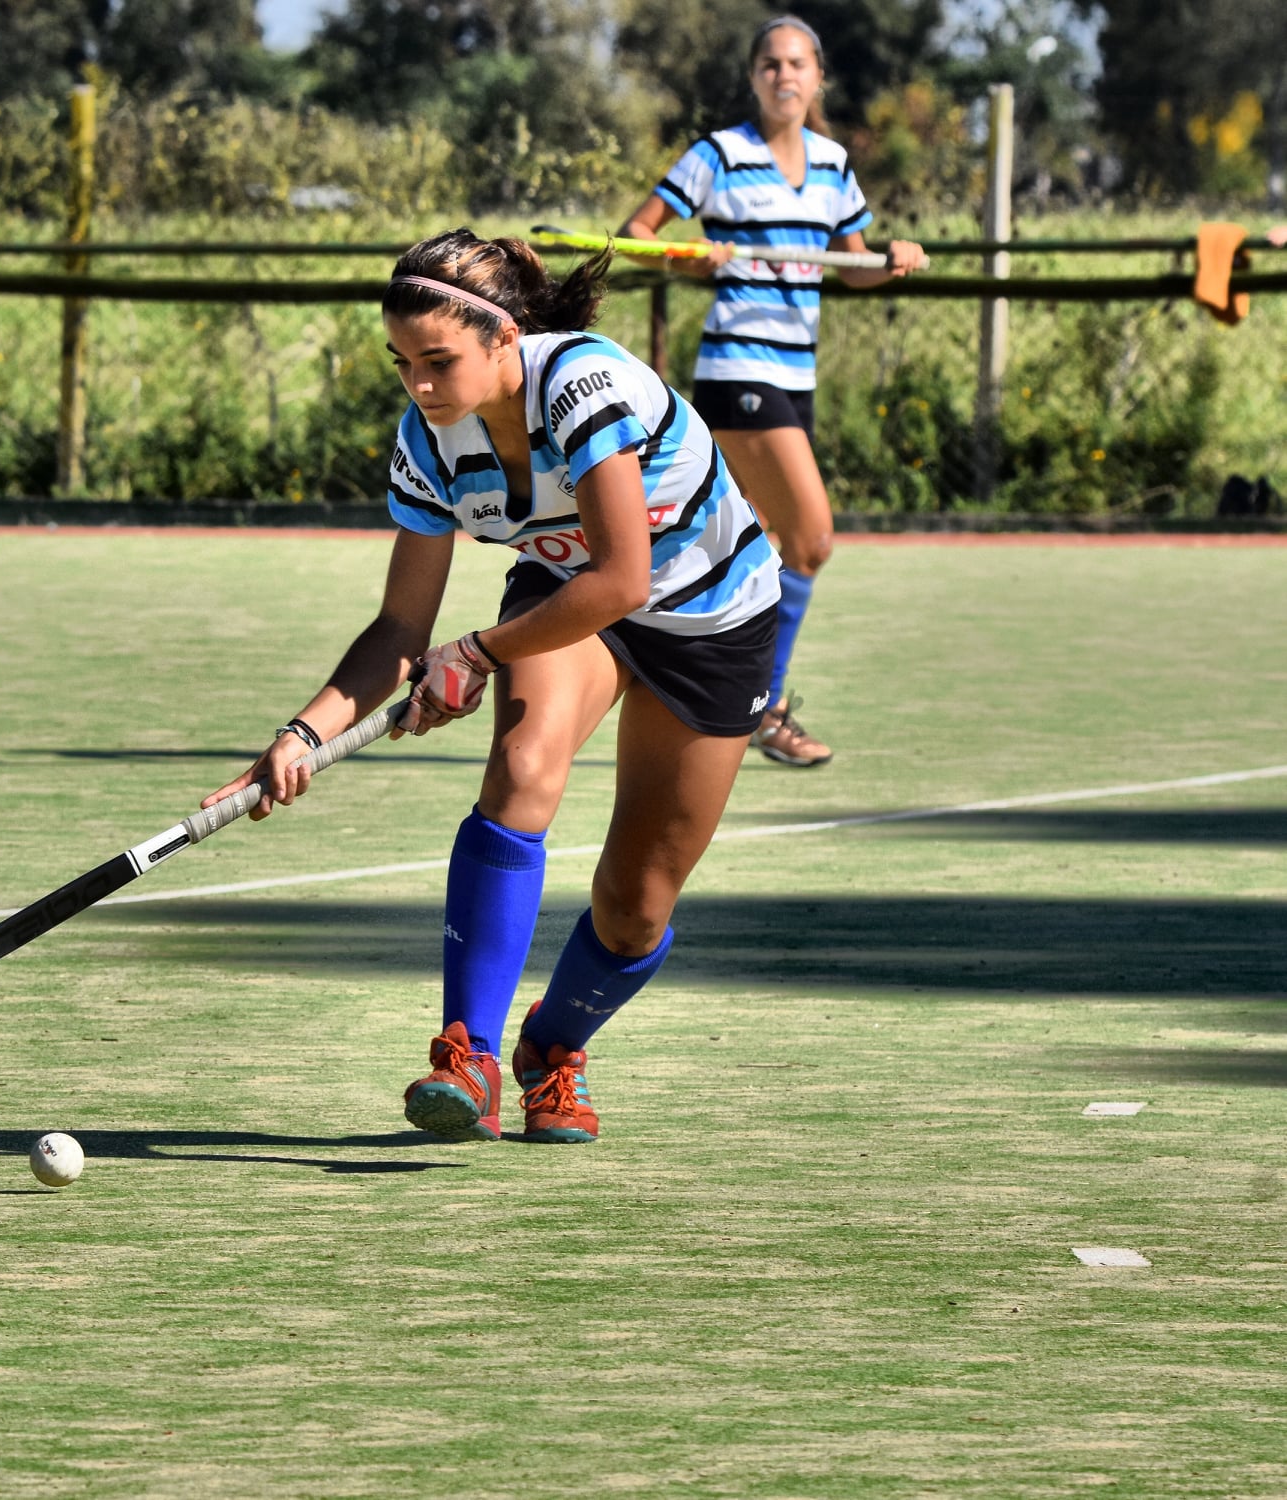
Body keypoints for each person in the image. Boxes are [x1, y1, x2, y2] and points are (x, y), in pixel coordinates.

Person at [200, 228, 782, 1145]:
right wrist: (301, 736)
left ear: (505, 339)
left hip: (708, 620)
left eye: (438, 362)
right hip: (564, 588)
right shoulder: (427, 446)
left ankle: (551, 1051)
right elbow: (400, 628)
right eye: (401, 365)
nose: (419, 388)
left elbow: (624, 580)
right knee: (520, 768)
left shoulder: (580, 383)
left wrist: (473, 655)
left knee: (635, 909)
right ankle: (464, 1057)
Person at [618, 13, 924, 768]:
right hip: (738, 371)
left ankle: (688, 678)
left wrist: (893, 258)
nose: (783, 76)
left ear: (817, 79)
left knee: (757, 548)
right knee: (812, 538)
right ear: (753, 78)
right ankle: (764, 704)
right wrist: (696, 258)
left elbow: (852, 264)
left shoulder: (832, 163)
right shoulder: (717, 155)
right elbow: (640, 232)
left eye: (796, 65)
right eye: (769, 65)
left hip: (797, 373)